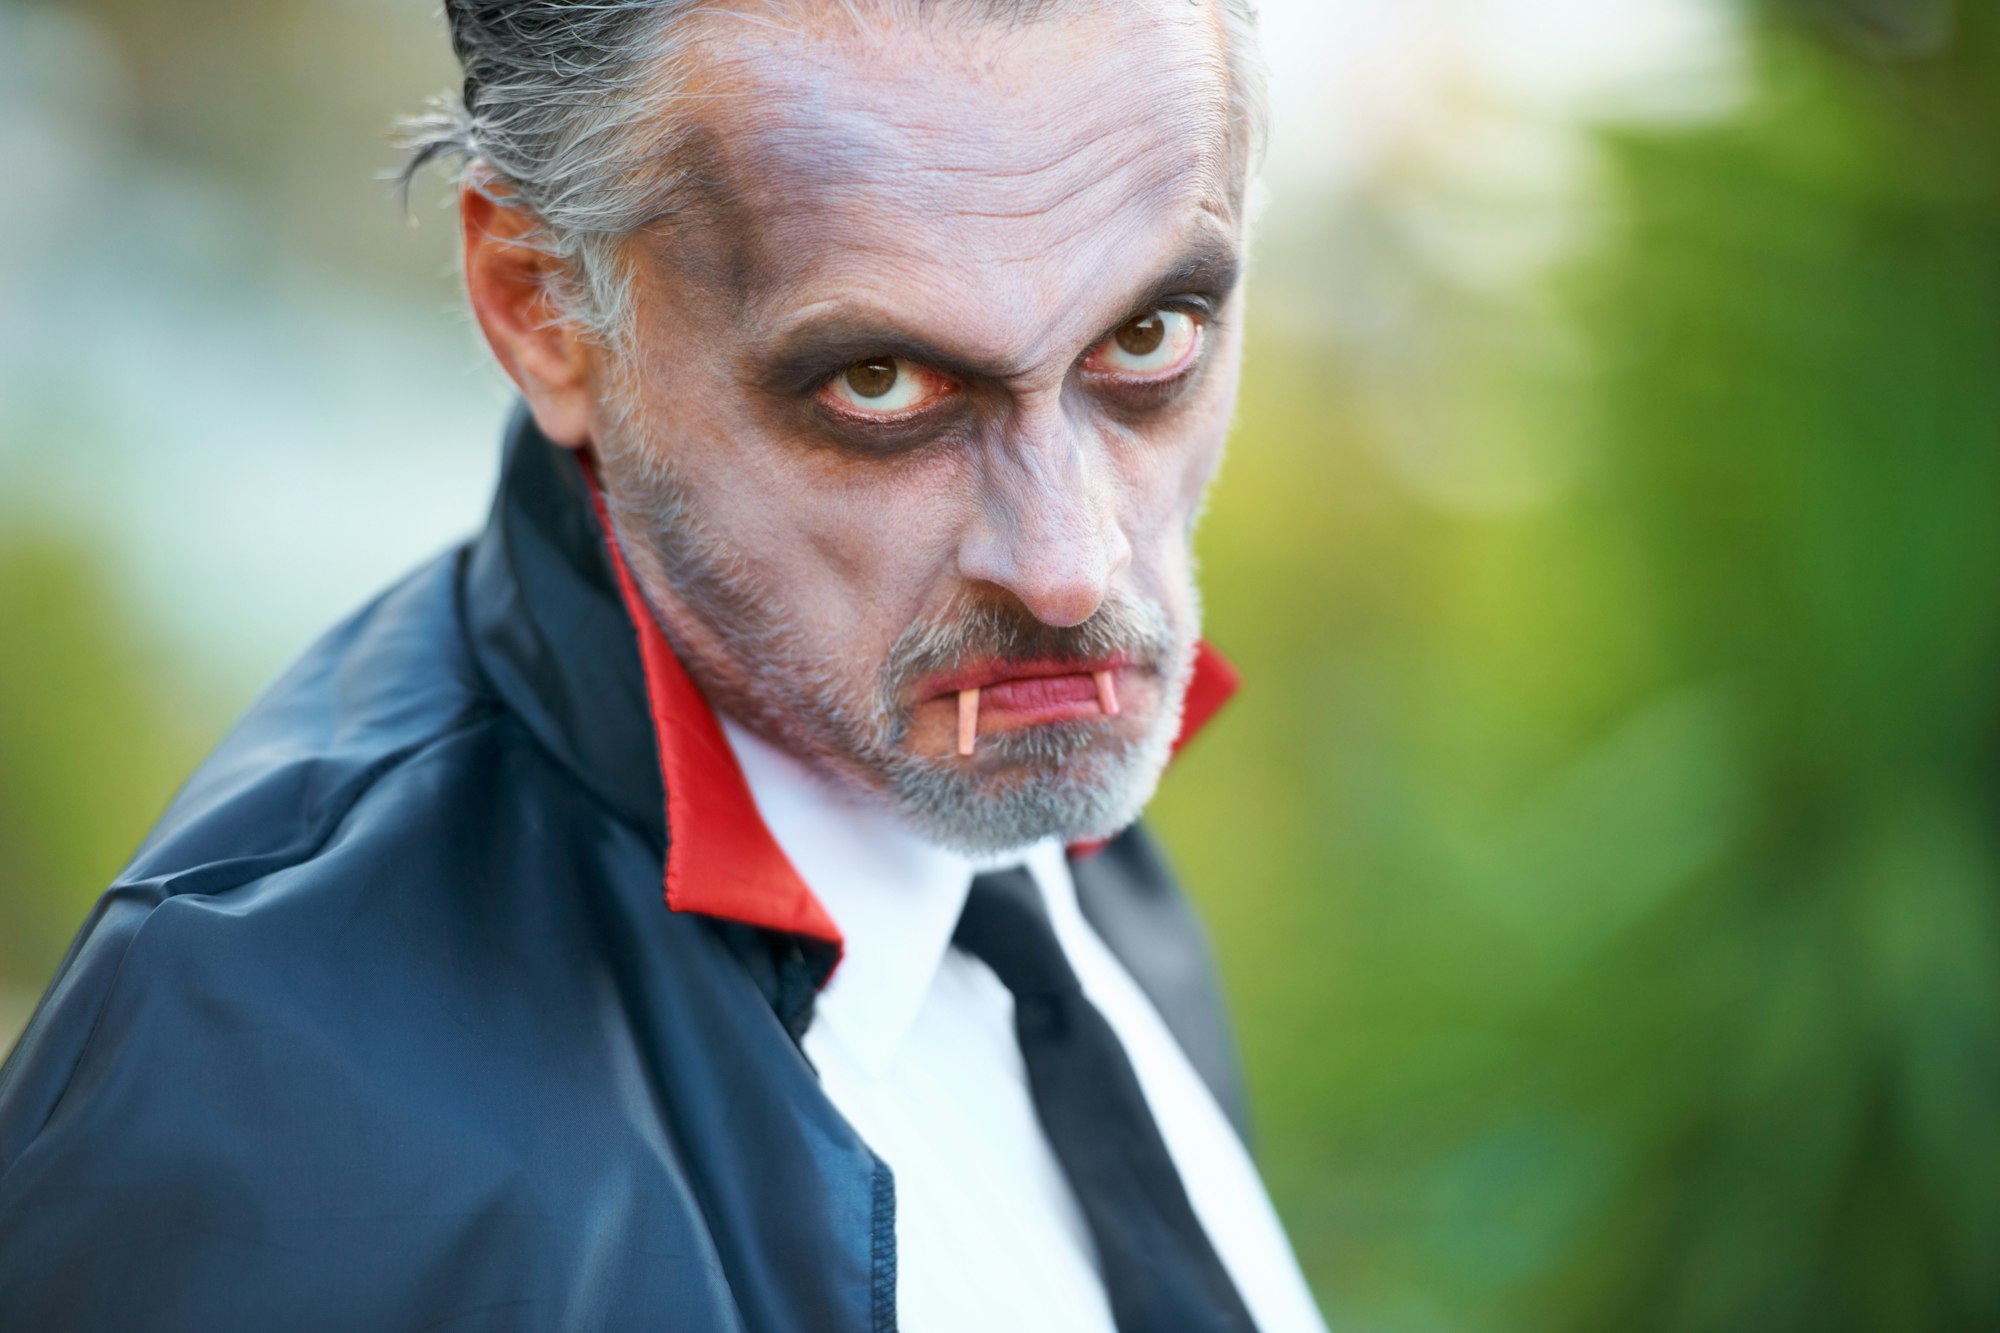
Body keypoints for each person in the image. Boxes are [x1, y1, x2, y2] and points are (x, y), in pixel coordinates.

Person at [0, 1, 1327, 1328]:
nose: (1070, 567)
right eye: (879, 383)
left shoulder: (1003, 767)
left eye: (1148, 341)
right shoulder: (269, 1105)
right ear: (540, 306)